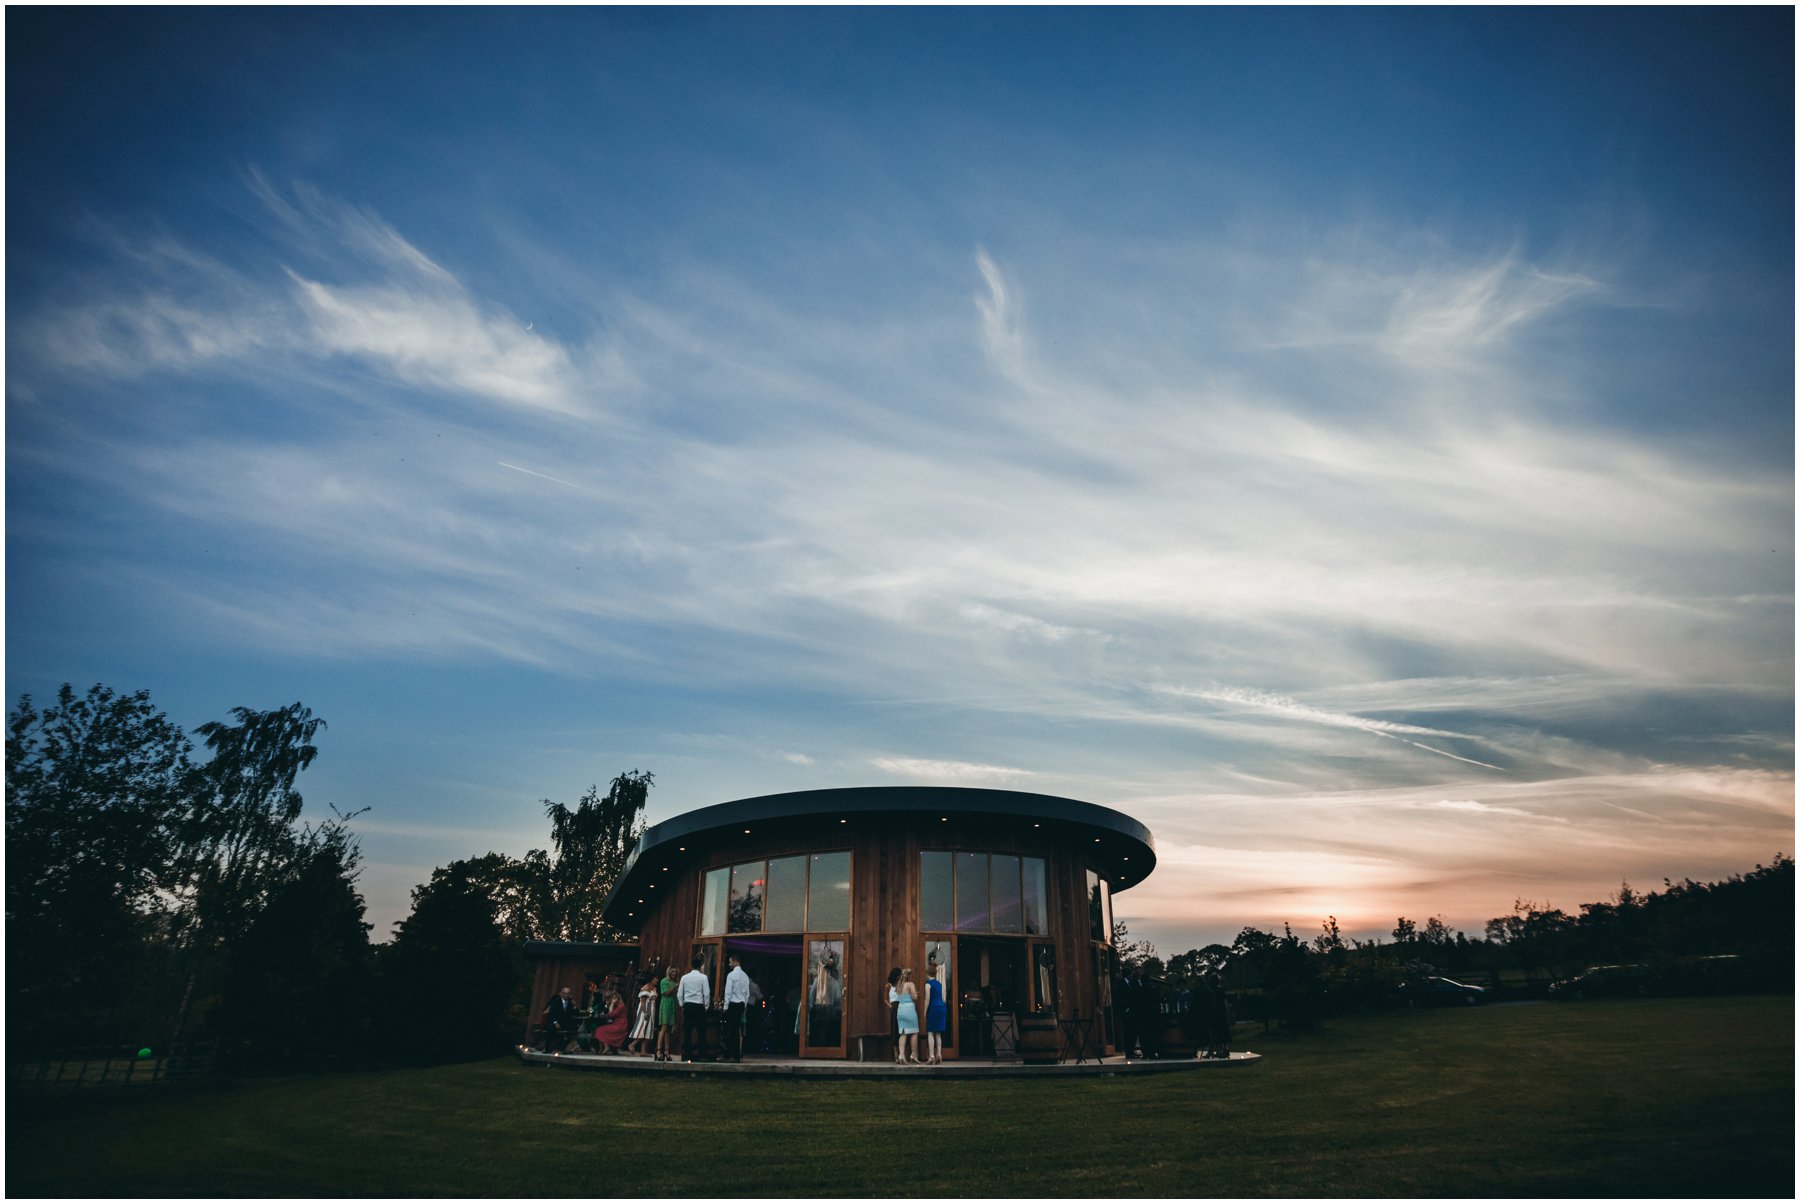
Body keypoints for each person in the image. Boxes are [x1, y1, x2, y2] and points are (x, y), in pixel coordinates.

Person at [678, 954, 711, 1063]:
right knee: (701, 1030)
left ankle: (687, 1054)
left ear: (691, 965)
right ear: (701, 965)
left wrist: (682, 1005)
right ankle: (702, 1054)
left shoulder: (684, 977)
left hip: (688, 1005)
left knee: (688, 1030)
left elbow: (679, 994)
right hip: (698, 1005)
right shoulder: (703, 977)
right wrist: (706, 1006)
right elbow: (706, 993)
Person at [722, 954, 751, 1063]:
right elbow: (747, 994)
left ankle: (733, 1055)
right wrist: (744, 1004)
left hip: (733, 1004)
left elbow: (728, 992)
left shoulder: (731, 975)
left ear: (735, 962)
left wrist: (725, 1006)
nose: (729, 965)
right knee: (737, 1029)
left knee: (731, 1030)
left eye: (730, 962)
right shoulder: (745, 976)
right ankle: (733, 1053)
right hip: (741, 1005)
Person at [593, 986, 631, 1053]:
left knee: (600, 1030)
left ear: (618, 998)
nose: (613, 1000)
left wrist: (611, 1005)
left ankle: (606, 1047)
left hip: (620, 1025)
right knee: (599, 1029)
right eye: (612, 998)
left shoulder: (620, 1006)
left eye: (614, 998)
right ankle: (604, 1048)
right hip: (617, 1024)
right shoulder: (617, 1006)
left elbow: (611, 1015)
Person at [542, 985, 579, 1053]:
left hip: (565, 1022)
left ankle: (563, 1048)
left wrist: (574, 1006)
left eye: (568, 993)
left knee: (574, 1030)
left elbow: (576, 1013)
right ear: (562, 994)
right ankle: (547, 1048)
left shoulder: (570, 1003)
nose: (567, 995)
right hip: (555, 1021)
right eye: (565, 993)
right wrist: (555, 1022)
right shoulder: (556, 1001)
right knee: (550, 1028)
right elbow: (552, 1013)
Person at [895, 967, 920, 1065]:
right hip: (909, 1009)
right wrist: (916, 994)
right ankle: (913, 1055)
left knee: (903, 1033)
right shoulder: (910, 984)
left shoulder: (899, 985)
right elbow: (914, 997)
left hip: (901, 1009)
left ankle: (901, 1055)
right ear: (909, 976)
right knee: (914, 1032)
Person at [923, 963, 948, 1065]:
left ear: (927, 973)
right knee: (938, 1033)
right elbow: (941, 996)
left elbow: (927, 998)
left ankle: (931, 1056)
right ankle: (939, 1055)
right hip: (942, 1007)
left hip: (933, 1007)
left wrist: (925, 1012)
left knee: (930, 1032)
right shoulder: (939, 984)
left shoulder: (928, 984)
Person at [628, 974, 658, 1056]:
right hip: (645, 1009)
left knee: (648, 1030)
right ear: (651, 979)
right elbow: (642, 1002)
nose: (657, 980)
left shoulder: (654, 988)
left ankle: (643, 1051)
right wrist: (645, 1012)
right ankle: (632, 1044)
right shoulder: (645, 988)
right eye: (655, 978)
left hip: (651, 1010)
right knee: (643, 1028)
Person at [656, 961, 679, 1062]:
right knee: (664, 1028)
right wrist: (675, 986)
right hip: (665, 1005)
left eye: (675, 972)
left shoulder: (675, 982)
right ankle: (658, 1051)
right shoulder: (664, 981)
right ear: (669, 972)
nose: (674, 973)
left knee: (669, 1030)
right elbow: (666, 993)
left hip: (672, 1006)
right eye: (672, 971)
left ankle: (667, 1051)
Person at [885, 967, 903, 1063]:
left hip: (901, 1007)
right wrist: (890, 1006)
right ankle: (896, 1053)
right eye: (899, 975)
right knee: (894, 1029)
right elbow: (885, 999)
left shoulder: (900, 985)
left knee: (901, 1030)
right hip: (894, 1007)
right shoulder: (888, 986)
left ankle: (901, 1053)